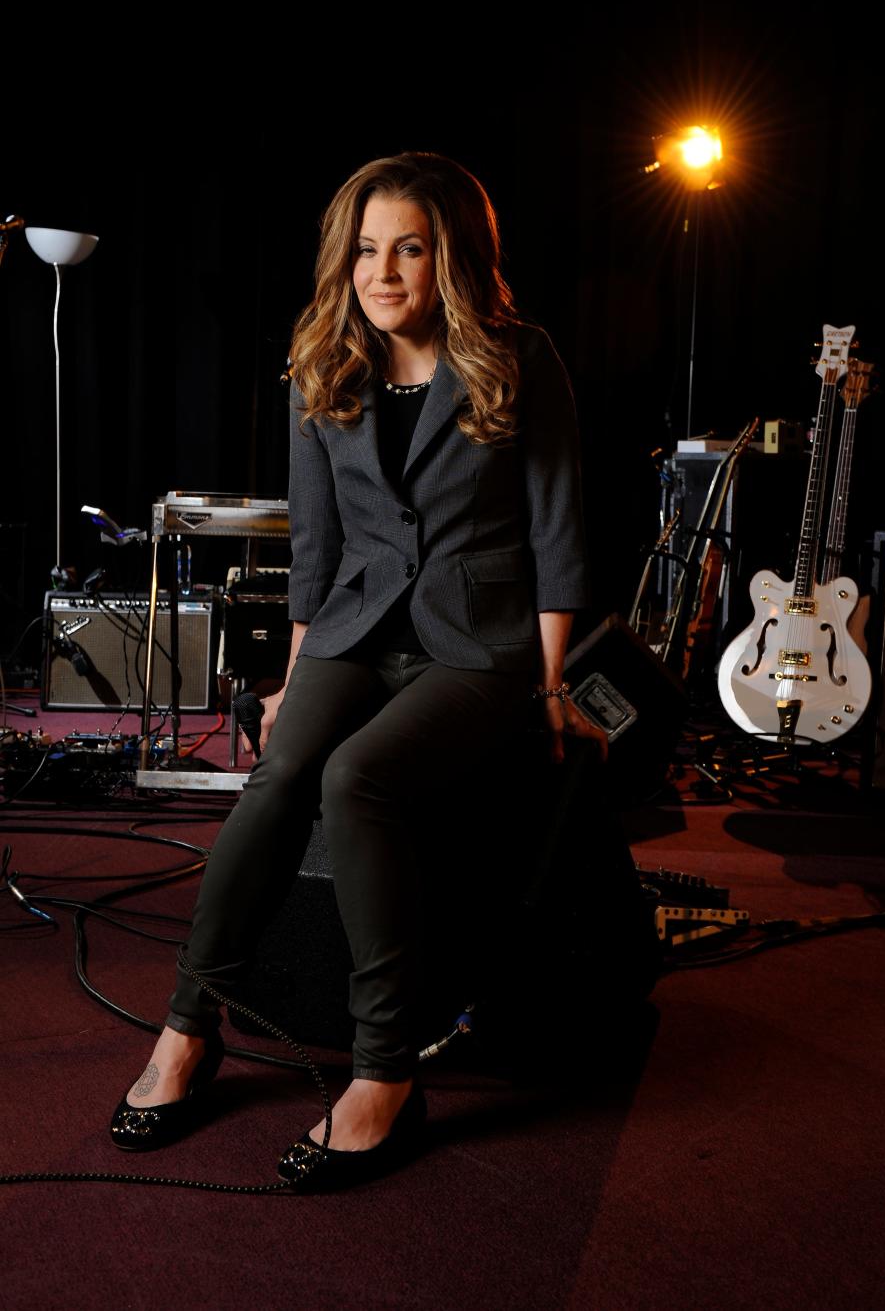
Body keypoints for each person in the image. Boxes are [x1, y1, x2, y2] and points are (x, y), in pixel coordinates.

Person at [109, 151, 606, 1189]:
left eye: (409, 249)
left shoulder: (521, 356)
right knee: (283, 771)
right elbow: (319, 549)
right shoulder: (324, 364)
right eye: (367, 249)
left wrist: (552, 687)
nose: (384, 272)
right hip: (352, 629)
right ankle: (189, 1027)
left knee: (355, 780)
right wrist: (295, 678)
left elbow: (559, 535)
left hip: (477, 646)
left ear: (453, 257)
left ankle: (384, 1073)